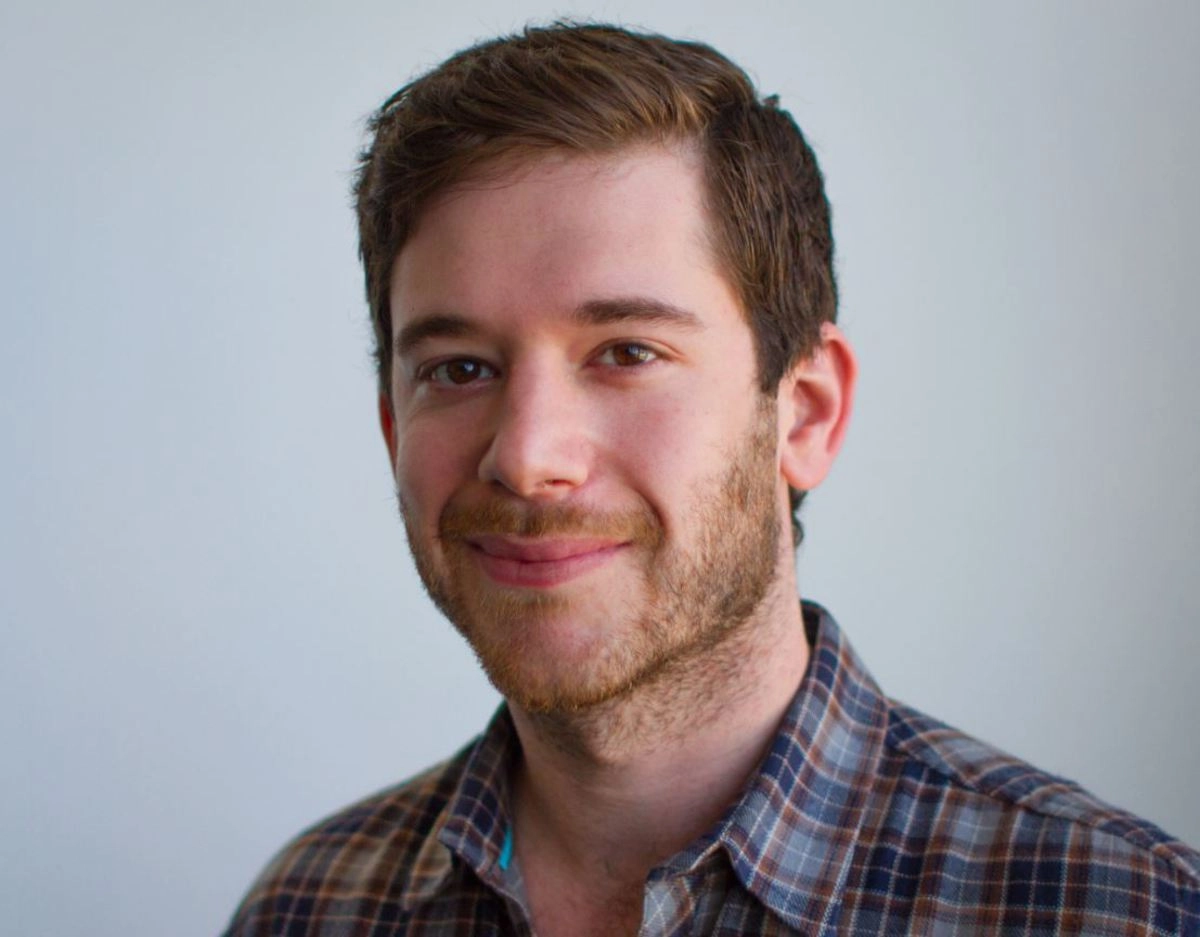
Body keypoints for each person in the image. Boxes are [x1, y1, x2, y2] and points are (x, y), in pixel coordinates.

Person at [223, 23, 1200, 936]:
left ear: (804, 413)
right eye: (459, 368)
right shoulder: (309, 906)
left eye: (627, 352)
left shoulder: (1120, 910)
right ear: (393, 426)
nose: (524, 455)